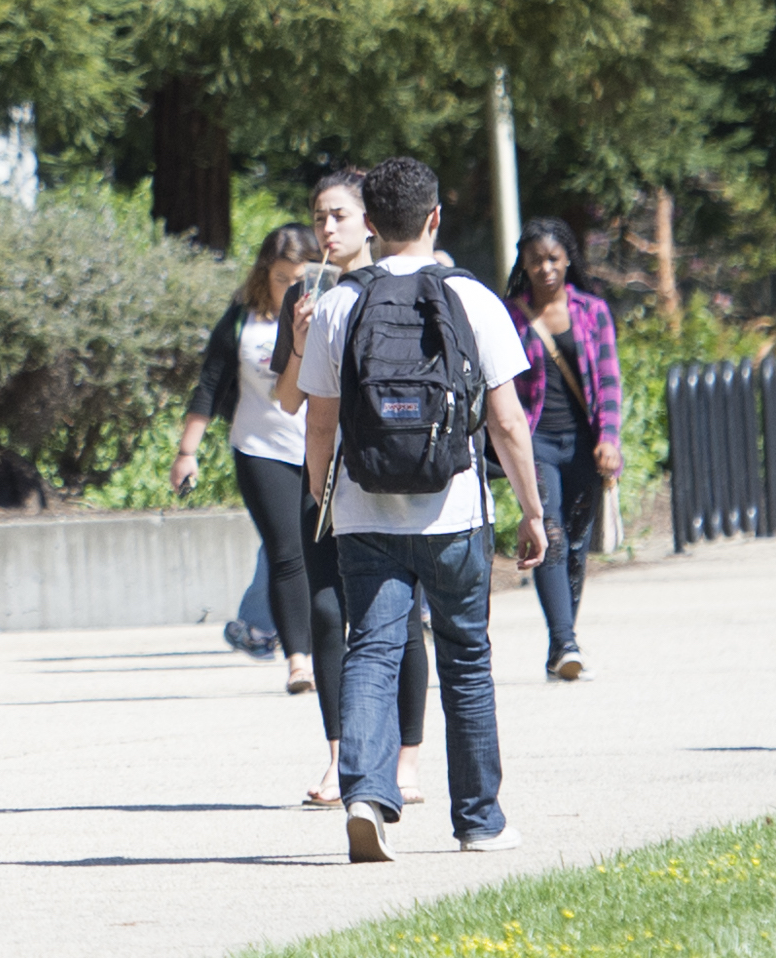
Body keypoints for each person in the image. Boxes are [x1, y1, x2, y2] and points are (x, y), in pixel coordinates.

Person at [295, 157, 549, 862]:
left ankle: (368, 797)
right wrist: (533, 510)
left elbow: (320, 422)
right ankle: (479, 820)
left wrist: (320, 493)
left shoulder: (342, 304)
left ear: (369, 224)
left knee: (371, 651)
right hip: (454, 511)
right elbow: (506, 423)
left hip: (364, 511)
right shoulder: (472, 299)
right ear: (435, 217)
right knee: (466, 659)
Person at [271, 170, 422, 808]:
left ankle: (406, 760)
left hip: (391, 470)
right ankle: (342, 758)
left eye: (337, 215)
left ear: (369, 221)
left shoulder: (403, 286)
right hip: (324, 474)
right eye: (318, 216)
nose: (325, 229)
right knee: (329, 612)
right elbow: (287, 401)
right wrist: (302, 346)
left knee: (401, 616)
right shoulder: (307, 293)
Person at [189, 225, 326, 704]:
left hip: (322, 445)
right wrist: (188, 452)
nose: (291, 287)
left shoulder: (331, 309)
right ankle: (298, 661)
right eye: (281, 277)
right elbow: (209, 383)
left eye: (300, 278)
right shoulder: (243, 320)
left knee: (321, 552)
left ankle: (332, 648)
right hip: (260, 447)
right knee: (286, 553)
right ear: (264, 274)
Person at [503, 218, 623, 682]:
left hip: (585, 446)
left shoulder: (593, 312)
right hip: (536, 441)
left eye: (553, 258)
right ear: (525, 265)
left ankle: (561, 642)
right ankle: (565, 643)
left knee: (575, 544)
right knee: (548, 532)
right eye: (535, 260)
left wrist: (609, 439)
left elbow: (610, 382)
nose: (545, 268)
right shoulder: (511, 316)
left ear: (568, 258)